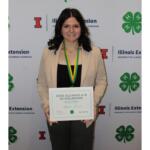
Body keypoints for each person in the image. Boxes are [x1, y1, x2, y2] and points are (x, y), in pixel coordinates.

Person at [37, 8, 107, 150]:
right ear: (60, 28)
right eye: (66, 26)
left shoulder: (94, 52)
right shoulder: (49, 51)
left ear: (81, 28)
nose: (71, 30)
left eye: (75, 26)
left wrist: (92, 104)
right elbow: (42, 83)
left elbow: (101, 81)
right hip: (56, 114)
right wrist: (46, 106)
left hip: (83, 115)